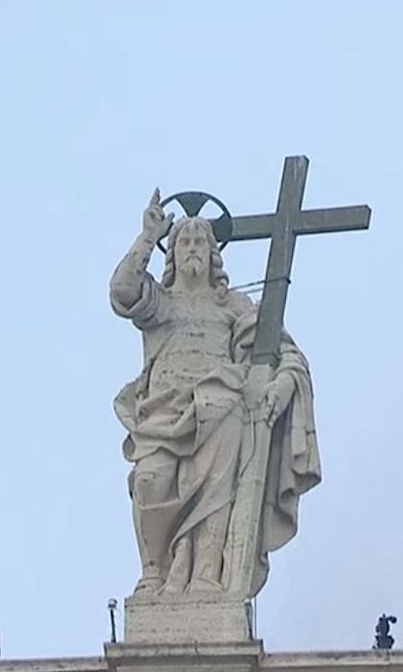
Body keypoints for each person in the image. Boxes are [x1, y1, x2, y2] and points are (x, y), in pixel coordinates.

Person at [111, 190, 321, 598]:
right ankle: (154, 573)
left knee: (216, 486)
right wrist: (147, 237)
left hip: (221, 411)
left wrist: (281, 384)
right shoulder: (159, 303)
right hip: (161, 413)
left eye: (200, 242)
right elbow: (122, 291)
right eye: (184, 242)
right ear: (172, 254)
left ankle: (206, 572)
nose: (192, 248)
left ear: (213, 254)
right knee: (151, 480)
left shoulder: (234, 305)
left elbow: (285, 352)